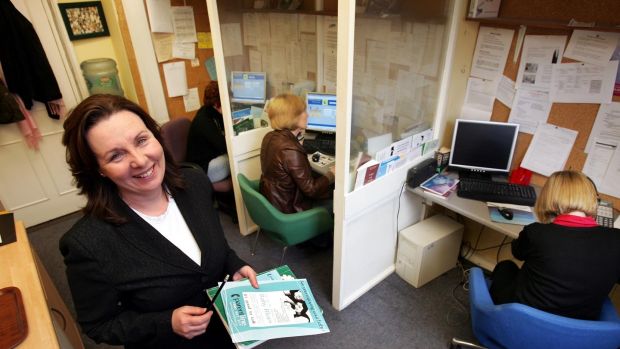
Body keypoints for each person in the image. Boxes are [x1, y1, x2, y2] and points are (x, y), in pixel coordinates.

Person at [60, 94, 258, 349]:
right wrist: (166, 323)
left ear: (155, 136)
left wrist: (234, 264)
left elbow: (216, 246)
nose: (140, 160)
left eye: (142, 140)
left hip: (227, 329)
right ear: (98, 169)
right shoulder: (88, 243)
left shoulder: (195, 183)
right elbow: (99, 325)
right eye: (116, 156)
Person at [489, 170, 620, 320]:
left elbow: (517, 252)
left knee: (506, 267)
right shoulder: (616, 239)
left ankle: (494, 318)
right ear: (593, 199)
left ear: (549, 197)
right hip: (577, 333)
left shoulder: (537, 232)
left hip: (522, 319)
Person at [259, 93, 334, 214]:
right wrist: (331, 174)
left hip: (275, 202)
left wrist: (296, 141)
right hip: (291, 209)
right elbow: (312, 190)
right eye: (303, 111)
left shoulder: (269, 137)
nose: (307, 114)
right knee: (338, 202)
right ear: (292, 117)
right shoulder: (290, 150)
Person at [186, 81, 230, 183]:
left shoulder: (212, 112)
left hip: (212, 157)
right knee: (233, 158)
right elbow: (223, 146)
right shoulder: (204, 121)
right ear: (216, 103)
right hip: (203, 168)